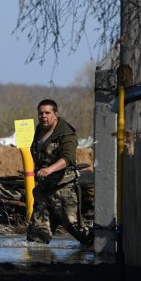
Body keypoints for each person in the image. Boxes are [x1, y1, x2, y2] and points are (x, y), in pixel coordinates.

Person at [26, 99, 93, 246]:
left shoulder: (66, 133)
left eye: (47, 113)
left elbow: (67, 158)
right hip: (44, 189)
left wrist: (50, 169)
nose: (44, 116)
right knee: (36, 235)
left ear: (55, 114)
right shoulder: (39, 131)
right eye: (41, 113)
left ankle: (97, 247)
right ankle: (37, 263)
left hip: (63, 188)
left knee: (76, 228)